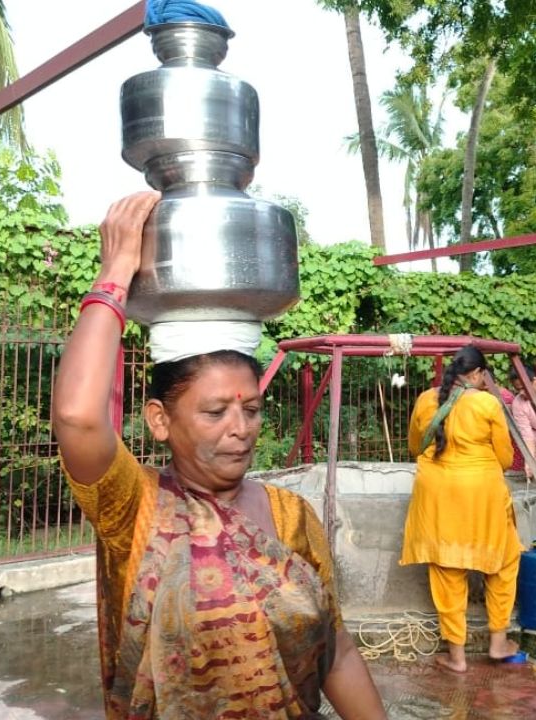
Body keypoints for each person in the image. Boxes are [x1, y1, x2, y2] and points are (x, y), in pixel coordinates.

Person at [52, 192, 384, 719]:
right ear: (160, 420)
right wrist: (116, 271)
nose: (241, 430)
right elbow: (76, 417)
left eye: (250, 408)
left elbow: (335, 649)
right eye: (215, 413)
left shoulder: (290, 515)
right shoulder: (133, 510)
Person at [400, 345, 522, 672]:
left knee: (448, 569)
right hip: (482, 494)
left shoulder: (426, 400)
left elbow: (414, 446)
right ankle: (498, 642)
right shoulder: (487, 403)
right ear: (478, 374)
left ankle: (457, 657)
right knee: (503, 560)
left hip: (436, 495)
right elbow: (507, 459)